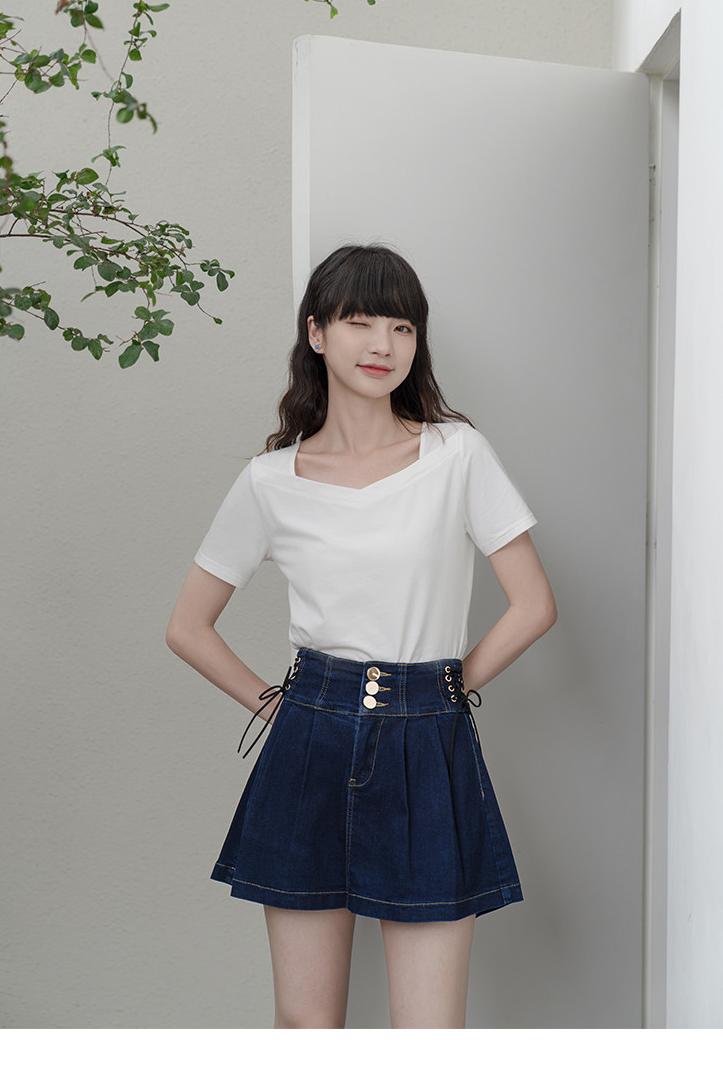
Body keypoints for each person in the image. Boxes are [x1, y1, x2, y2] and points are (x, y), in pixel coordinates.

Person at [166, 243, 557, 1029]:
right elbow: (187, 627)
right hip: (308, 737)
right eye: (361, 322)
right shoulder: (270, 480)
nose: (384, 344)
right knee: (306, 1027)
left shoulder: (456, 455)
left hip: (428, 739)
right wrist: (283, 708)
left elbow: (533, 605)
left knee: (427, 1035)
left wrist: (443, 691)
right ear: (316, 333)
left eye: (403, 327)